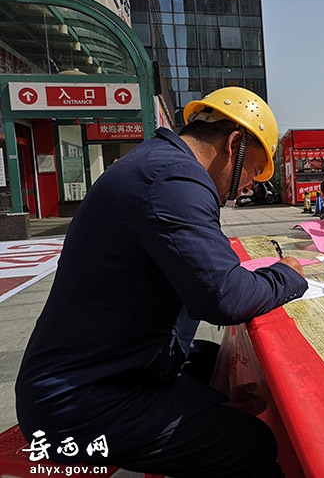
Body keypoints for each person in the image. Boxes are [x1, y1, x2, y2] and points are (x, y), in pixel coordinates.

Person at [15, 87, 308, 477]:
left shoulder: (159, 163)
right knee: (252, 443)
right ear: (234, 143)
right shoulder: (173, 179)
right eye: (253, 171)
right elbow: (225, 297)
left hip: (105, 370)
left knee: (223, 367)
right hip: (78, 407)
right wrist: (288, 274)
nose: (247, 187)